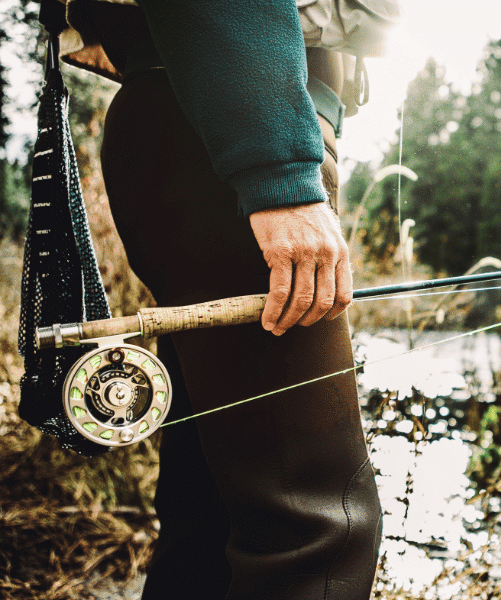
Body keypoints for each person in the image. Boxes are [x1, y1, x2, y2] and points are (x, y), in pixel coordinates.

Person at [55, 0, 386, 598]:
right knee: (314, 533)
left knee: (212, 518)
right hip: (231, 157)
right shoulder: (264, 171)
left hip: (207, 136)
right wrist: (280, 180)